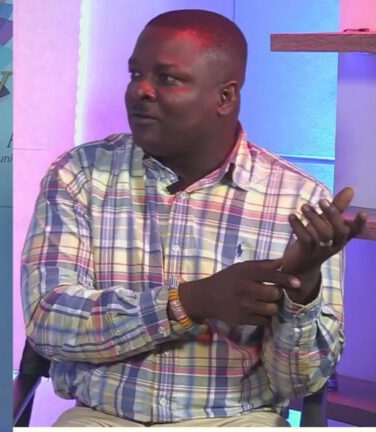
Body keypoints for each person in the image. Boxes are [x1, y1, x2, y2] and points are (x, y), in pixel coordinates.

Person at [21, 9, 367, 427]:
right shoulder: (79, 175)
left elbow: (299, 382)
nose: (140, 90)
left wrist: (302, 290)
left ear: (225, 97)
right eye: (135, 74)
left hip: (236, 419)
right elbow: (50, 323)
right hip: (102, 417)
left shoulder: (299, 200)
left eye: (167, 78)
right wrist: (190, 302)